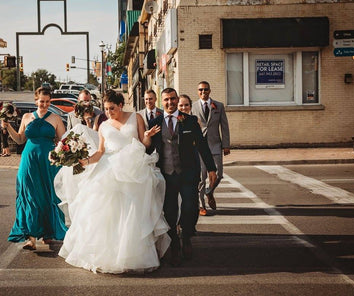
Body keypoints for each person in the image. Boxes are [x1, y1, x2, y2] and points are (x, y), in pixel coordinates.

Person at [58, 89, 170, 274]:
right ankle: (107, 254)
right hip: (108, 168)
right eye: (106, 109)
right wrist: (83, 162)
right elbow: (101, 151)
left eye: (112, 108)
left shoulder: (136, 118)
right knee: (105, 211)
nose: (109, 112)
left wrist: (148, 137)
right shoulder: (103, 126)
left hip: (134, 167)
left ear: (120, 105)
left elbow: (144, 145)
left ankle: (133, 255)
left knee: (132, 211)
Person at [147, 88, 217, 266]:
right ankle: (175, 245)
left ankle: (186, 236)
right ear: (161, 102)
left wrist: (211, 168)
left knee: (190, 208)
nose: (169, 103)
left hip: (188, 173)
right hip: (167, 174)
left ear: (177, 99)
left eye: (172, 99)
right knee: (169, 211)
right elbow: (148, 150)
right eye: (166, 100)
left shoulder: (190, 121)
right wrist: (147, 138)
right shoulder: (155, 122)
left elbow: (202, 146)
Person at [3, 87, 68, 250]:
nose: (44, 104)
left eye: (47, 102)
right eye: (41, 101)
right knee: (29, 195)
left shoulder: (55, 118)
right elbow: (19, 139)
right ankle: (30, 238)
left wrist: (62, 152)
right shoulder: (26, 117)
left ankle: (47, 233)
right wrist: (8, 126)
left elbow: (64, 141)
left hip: (48, 161)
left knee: (47, 195)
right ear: (36, 101)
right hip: (29, 160)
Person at [191, 81, 230, 215]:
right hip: (200, 147)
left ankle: (209, 192)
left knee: (218, 175)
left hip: (215, 145)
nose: (203, 92)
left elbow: (224, 126)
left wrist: (226, 145)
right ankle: (202, 205)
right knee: (201, 177)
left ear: (210, 90)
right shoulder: (193, 107)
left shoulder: (218, 106)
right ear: (198, 91)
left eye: (205, 89)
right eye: (200, 90)